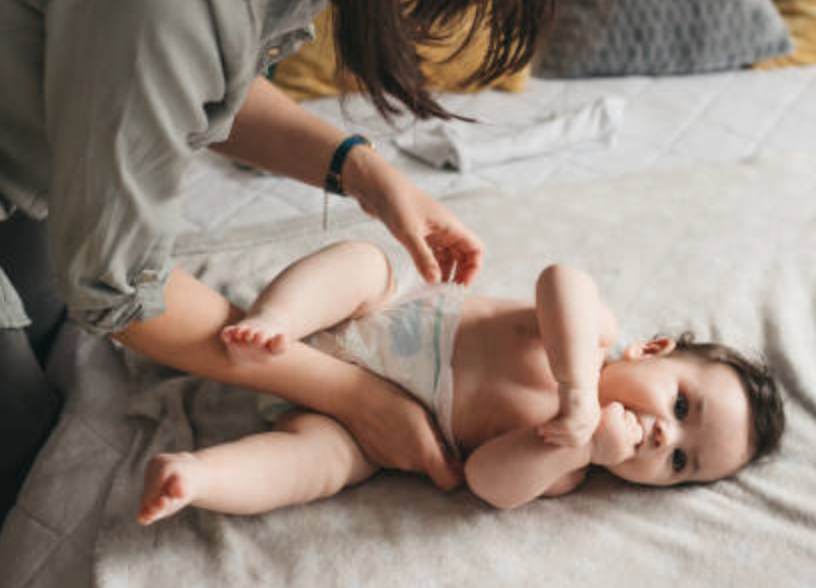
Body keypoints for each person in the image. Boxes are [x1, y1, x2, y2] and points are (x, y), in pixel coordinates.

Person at [0, 0, 640, 523]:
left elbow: (182, 73)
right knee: (26, 439)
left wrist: (358, 168)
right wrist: (358, 397)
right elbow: (115, 282)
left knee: (59, 346)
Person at [137, 241, 785, 522]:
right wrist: (579, 393)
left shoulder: (564, 471)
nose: (661, 435)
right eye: (679, 404)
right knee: (367, 265)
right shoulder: (592, 333)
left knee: (324, 465)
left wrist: (578, 443)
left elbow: (488, 483)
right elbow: (560, 278)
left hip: (355, 428)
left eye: (679, 460)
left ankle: (199, 477)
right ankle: (276, 318)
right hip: (366, 320)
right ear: (651, 348)